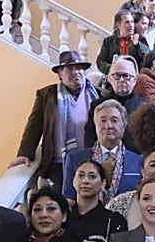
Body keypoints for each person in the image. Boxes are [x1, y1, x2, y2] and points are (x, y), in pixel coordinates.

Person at [10, 50, 99, 191]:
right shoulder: (47, 95)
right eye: (70, 68)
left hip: (91, 161)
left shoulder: (98, 95)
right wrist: (24, 153)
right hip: (59, 165)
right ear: (60, 74)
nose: (76, 72)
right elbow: (34, 125)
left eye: (79, 68)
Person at [62, 99, 144, 202]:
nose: (108, 126)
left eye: (114, 120)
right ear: (95, 125)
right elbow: (68, 200)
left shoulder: (138, 161)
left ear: (123, 126)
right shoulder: (75, 159)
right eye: (103, 120)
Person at [66, 159, 129, 242]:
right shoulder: (62, 217)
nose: (85, 181)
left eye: (92, 176)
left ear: (103, 183)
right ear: (74, 181)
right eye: (81, 176)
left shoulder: (114, 221)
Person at [95, 9, 147, 75]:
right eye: (127, 22)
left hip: (134, 78)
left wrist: (137, 45)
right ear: (118, 24)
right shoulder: (109, 41)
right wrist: (114, 69)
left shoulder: (140, 39)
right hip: (114, 79)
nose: (131, 25)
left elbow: (147, 59)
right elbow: (100, 62)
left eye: (132, 22)